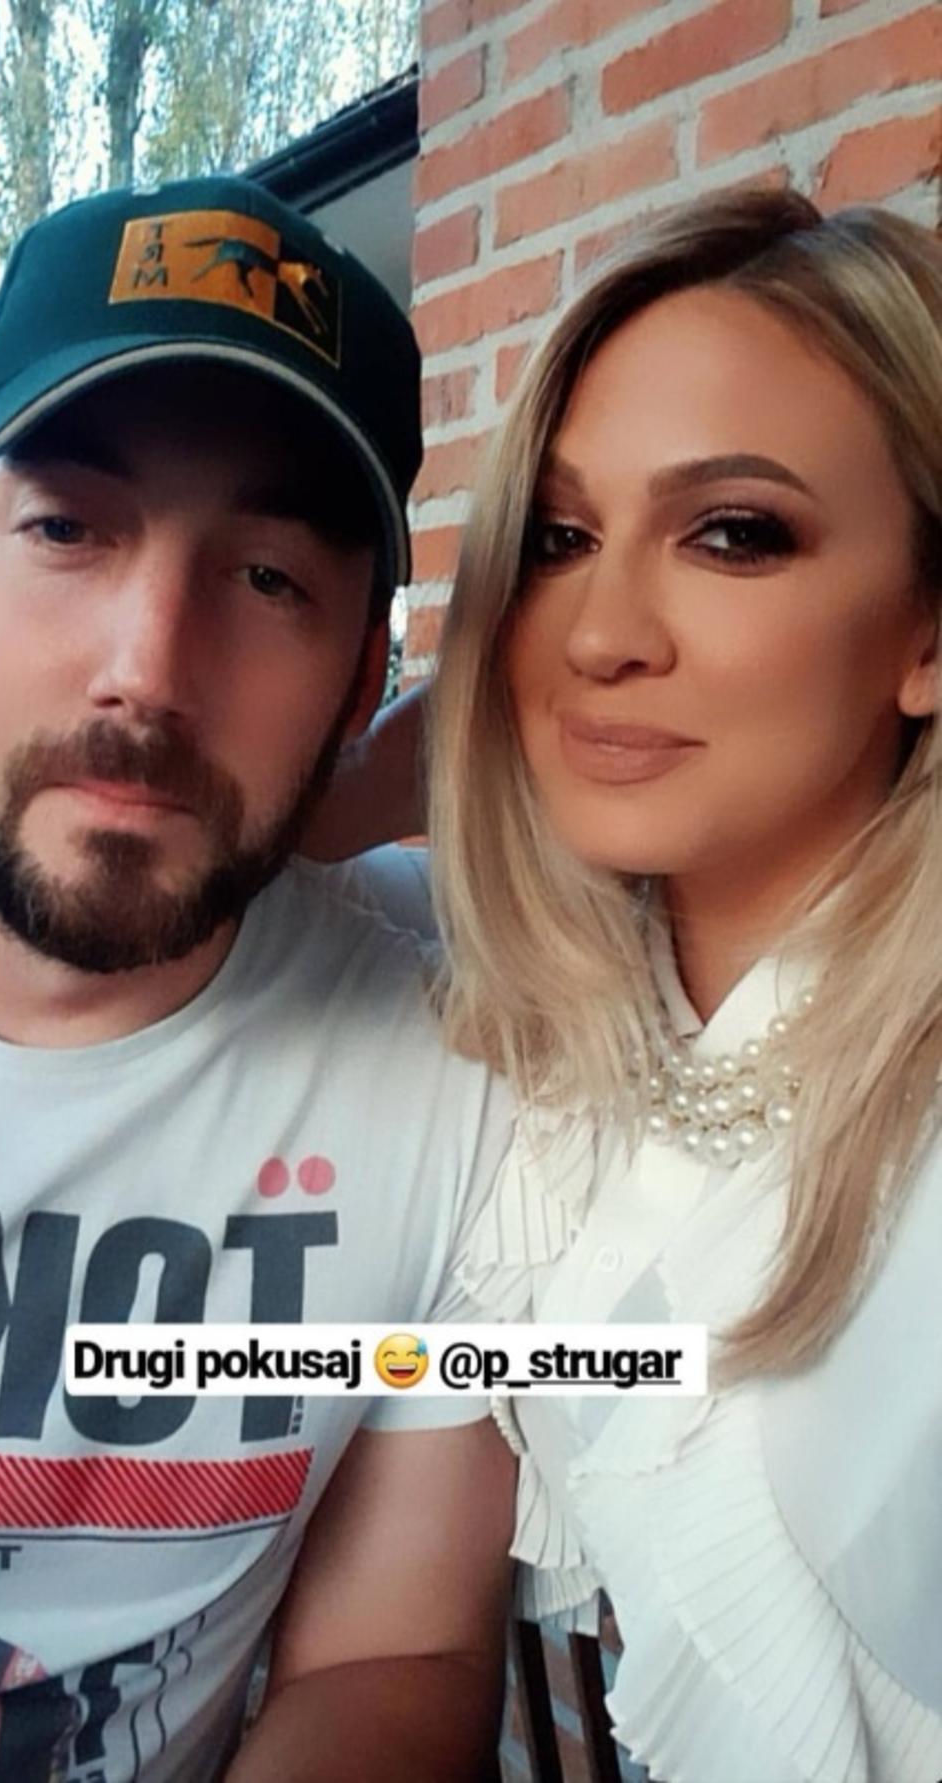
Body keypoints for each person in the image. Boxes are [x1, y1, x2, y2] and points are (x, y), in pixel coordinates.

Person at [331, 188, 942, 1781]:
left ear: (927, 629)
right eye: (557, 540)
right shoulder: (535, 1011)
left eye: (734, 532)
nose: (598, 635)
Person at [0, 174, 515, 1783]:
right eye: (65, 526)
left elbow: (395, 1656)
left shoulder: (450, 1050)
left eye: (270, 578)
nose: (147, 668)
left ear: (360, 676)